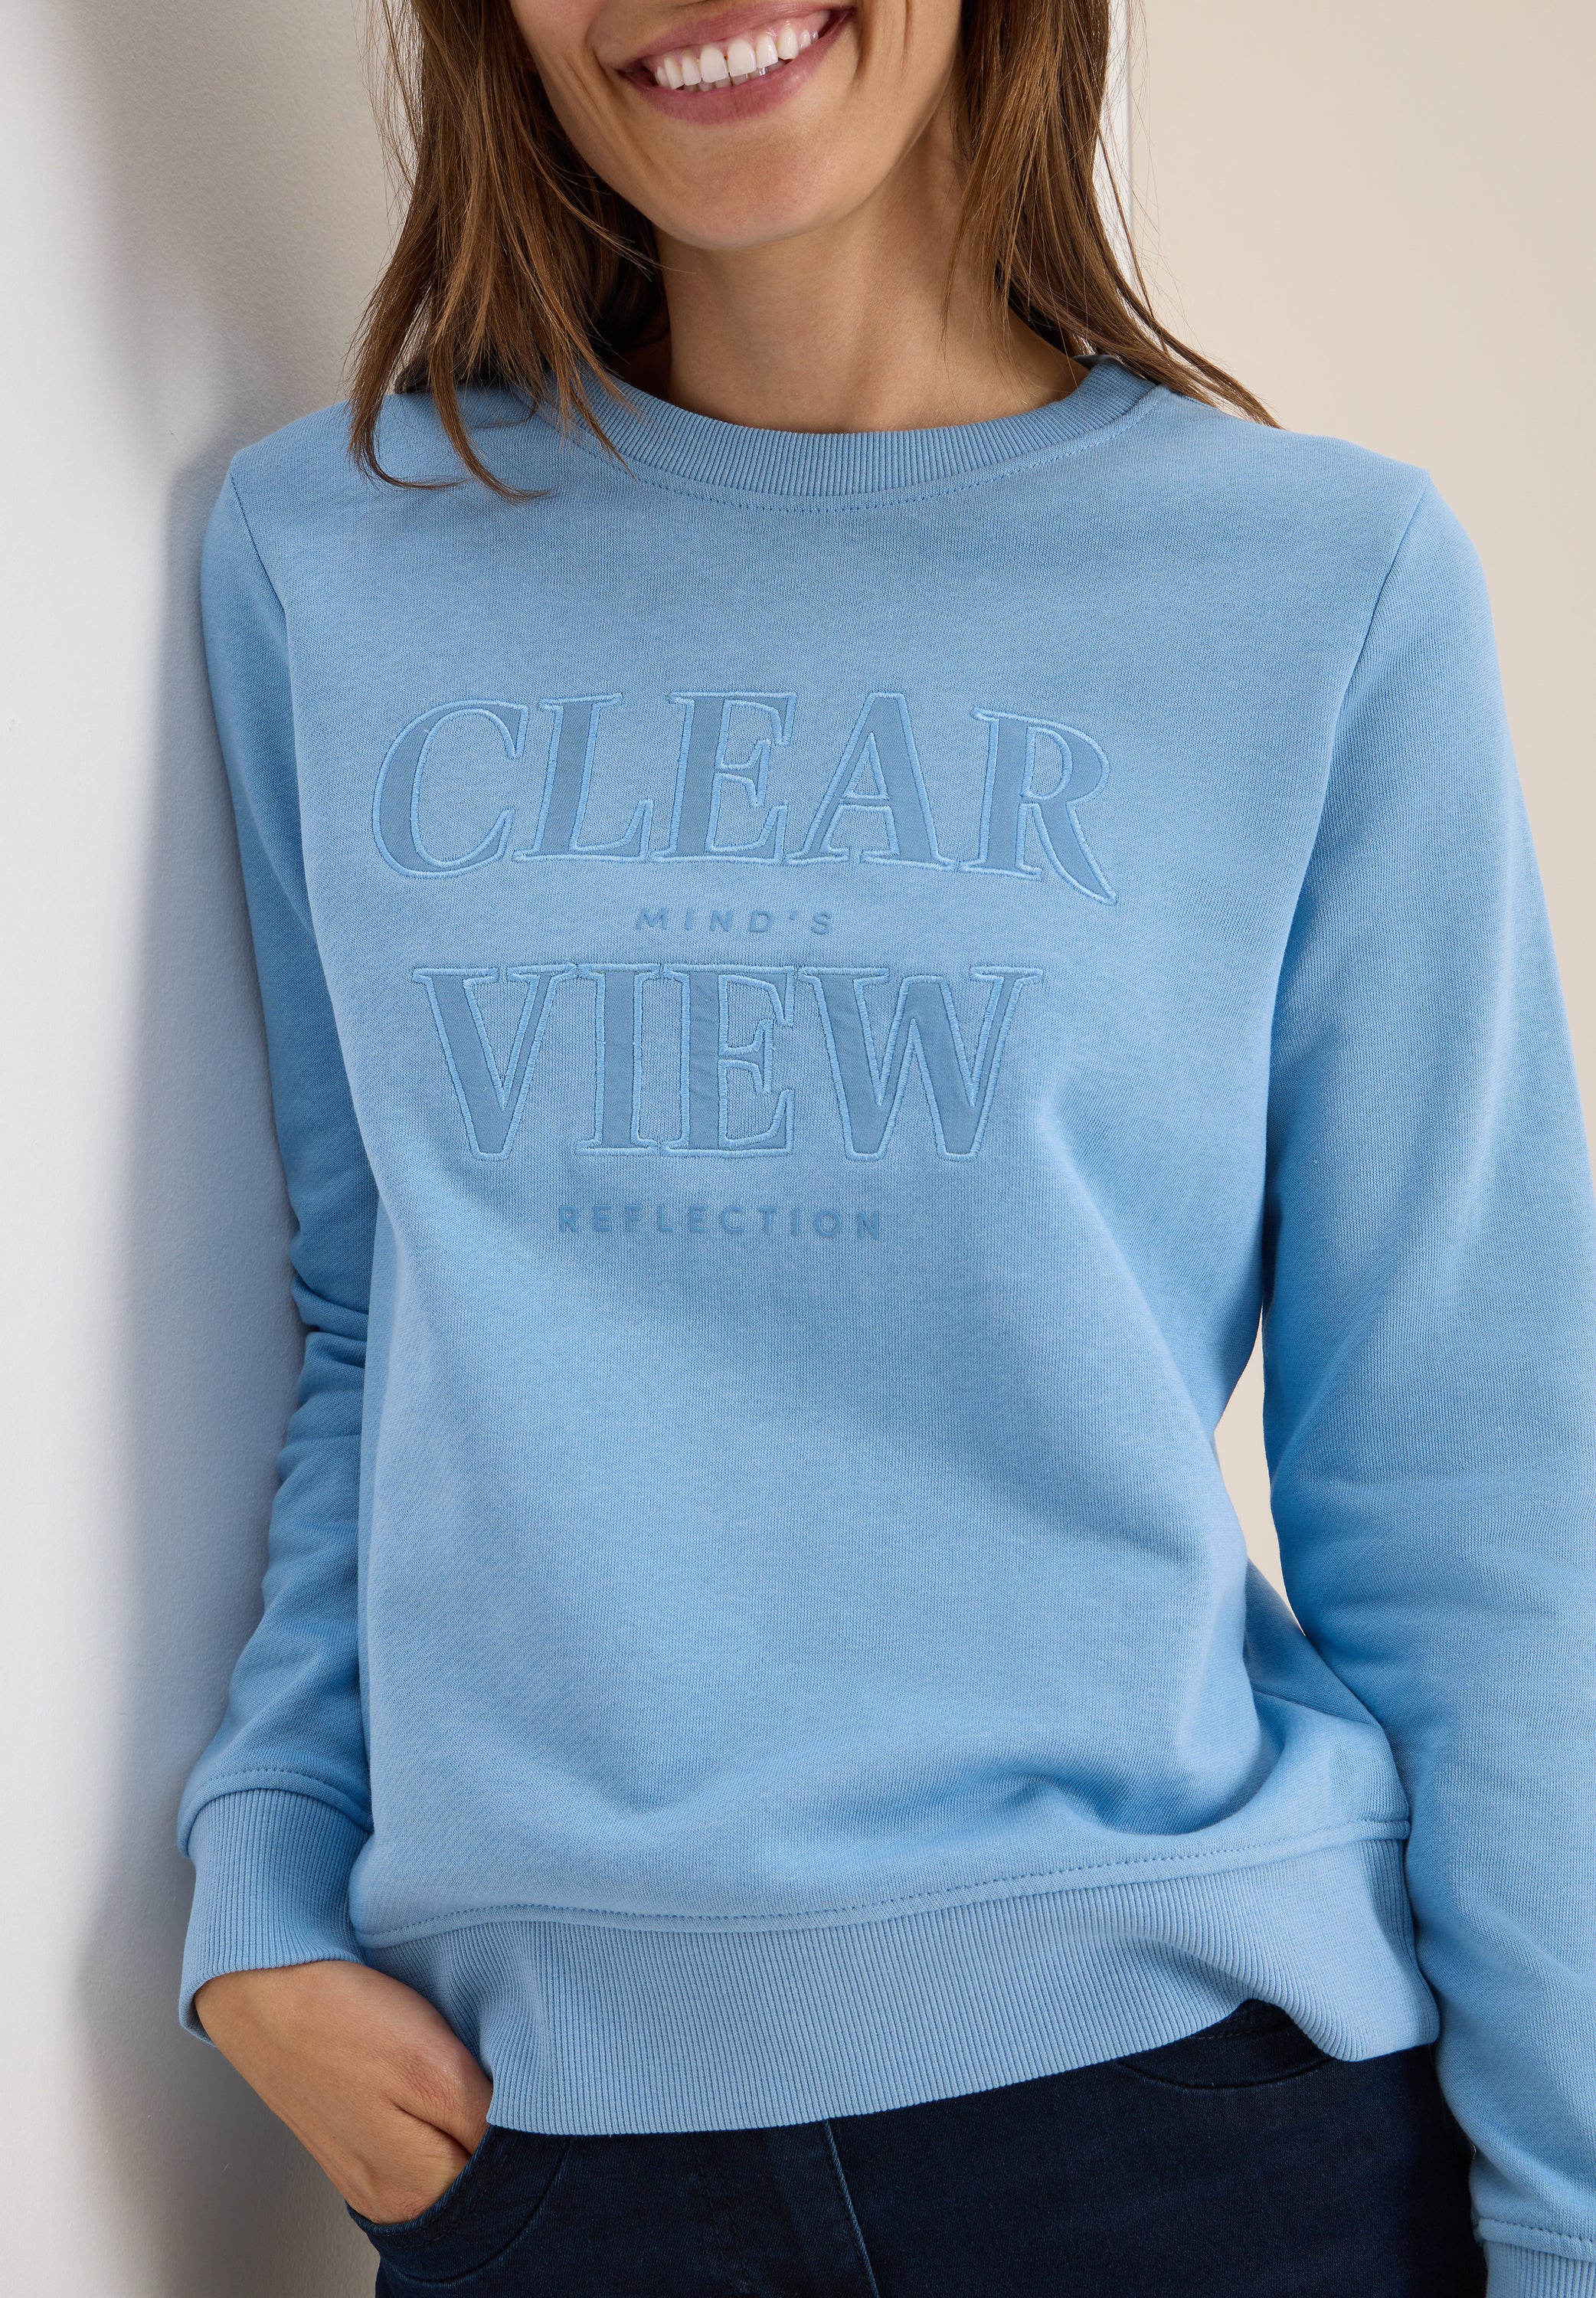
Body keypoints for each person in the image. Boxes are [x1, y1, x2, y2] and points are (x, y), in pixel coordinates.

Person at [176, 2, 1596, 2291]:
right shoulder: (331, 554)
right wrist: (262, 1881)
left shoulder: (1319, 586)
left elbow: (1475, 1487)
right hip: (550, 2163)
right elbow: (369, 1319)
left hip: (1195, 2138)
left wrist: (1570, 2228)